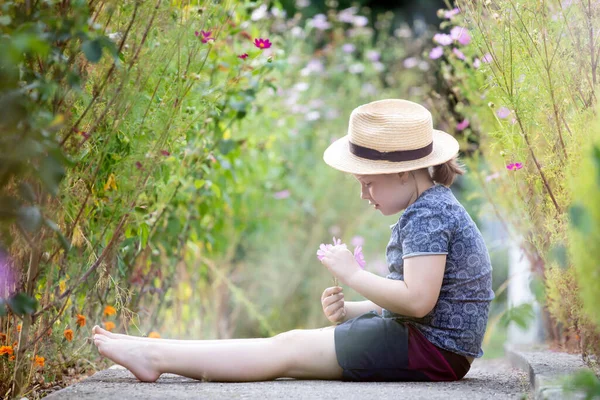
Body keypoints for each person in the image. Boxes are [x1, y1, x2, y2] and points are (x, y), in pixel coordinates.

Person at [91, 98, 495, 383]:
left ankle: (154, 357)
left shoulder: (428, 215)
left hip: (430, 351)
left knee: (289, 350)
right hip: (431, 344)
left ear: (405, 172)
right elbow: (424, 299)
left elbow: (418, 301)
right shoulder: (432, 206)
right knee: (293, 345)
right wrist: (352, 311)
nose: (363, 195)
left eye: (368, 183)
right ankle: (150, 350)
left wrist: (353, 274)